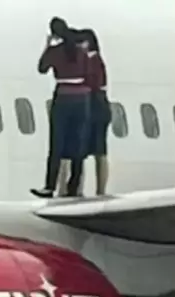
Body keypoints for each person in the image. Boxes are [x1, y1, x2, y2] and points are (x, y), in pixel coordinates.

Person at [31, 18, 92, 198]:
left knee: (56, 144)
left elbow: (42, 68)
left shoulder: (56, 51)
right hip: (82, 99)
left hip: (63, 97)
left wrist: (48, 46)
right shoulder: (81, 52)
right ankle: (73, 186)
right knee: (78, 145)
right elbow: (88, 73)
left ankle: (50, 186)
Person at [66, 28, 111, 196]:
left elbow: (92, 84)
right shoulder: (91, 60)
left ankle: (99, 190)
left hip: (95, 105)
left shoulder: (93, 61)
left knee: (97, 151)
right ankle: (77, 188)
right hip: (92, 104)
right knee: (84, 152)